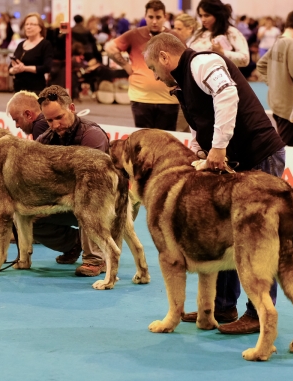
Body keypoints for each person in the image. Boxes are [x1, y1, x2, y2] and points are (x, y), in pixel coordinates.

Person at [144, 32, 286, 334]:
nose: (156, 77)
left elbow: (227, 95)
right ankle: (222, 307)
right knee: (223, 230)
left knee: (258, 238)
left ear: (164, 58)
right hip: (234, 160)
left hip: (259, 155)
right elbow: (200, 123)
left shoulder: (204, 62)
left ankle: (258, 314)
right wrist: (199, 150)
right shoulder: (183, 82)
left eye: (154, 70)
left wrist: (218, 147)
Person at [34, 85, 110, 277]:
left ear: (72, 108)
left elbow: (92, 181)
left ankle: (95, 259)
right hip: (67, 198)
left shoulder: (91, 134)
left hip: (106, 201)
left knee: (87, 200)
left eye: (59, 117)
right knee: (30, 216)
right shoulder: (45, 140)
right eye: (49, 120)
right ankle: (74, 244)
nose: (55, 125)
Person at [104, 1, 180, 131]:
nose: (154, 21)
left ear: (165, 17)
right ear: (145, 16)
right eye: (151, 17)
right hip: (141, 98)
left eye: (158, 17)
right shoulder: (134, 34)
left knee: (166, 144)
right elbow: (109, 47)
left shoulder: (174, 37)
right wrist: (127, 67)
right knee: (143, 143)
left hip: (169, 99)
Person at [257, 10, 293, 147]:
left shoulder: (278, 41)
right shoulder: (291, 44)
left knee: (282, 141)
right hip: (289, 105)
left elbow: (261, 64)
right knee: (286, 147)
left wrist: (273, 82)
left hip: (276, 102)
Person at [189, 0, 250, 69]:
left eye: (207, 15)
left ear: (217, 15)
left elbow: (245, 59)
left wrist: (222, 52)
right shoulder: (199, 32)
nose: (203, 19)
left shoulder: (231, 32)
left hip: (220, 76)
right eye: (201, 15)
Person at [10, 12, 52, 95]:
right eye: (26, 24)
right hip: (18, 89)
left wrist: (25, 68)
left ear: (40, 28)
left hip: (36, 89)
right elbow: (10, 68)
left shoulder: (45, 44)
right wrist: (14, 70)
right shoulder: (21, 44)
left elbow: (47, 67)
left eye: (32, 24)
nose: (28, 27)